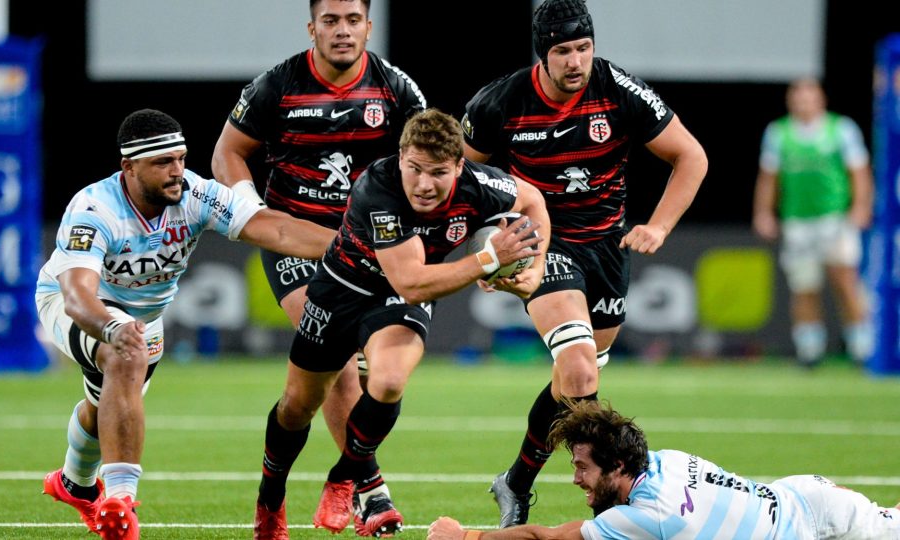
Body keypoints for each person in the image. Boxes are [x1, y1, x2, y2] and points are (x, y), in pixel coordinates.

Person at [460, 0, 708, 527]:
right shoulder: (498, 104)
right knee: (578, 366)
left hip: (607, 252)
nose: (576, 61)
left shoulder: (619, 91)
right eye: (563, 51)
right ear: (542, 55)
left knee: (572, 381)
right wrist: (480, 246)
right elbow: (455, 176)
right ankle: (611, 506)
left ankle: (515, 483)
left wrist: (658, 225)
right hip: (542, 243)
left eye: (583, 48)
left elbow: (692, 156)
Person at [37, 109, 336, 539]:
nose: (177, 171)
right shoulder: (93, 208)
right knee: (124, 357)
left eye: (180, 158)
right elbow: (78, 295)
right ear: (129, 167)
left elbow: (278, 231)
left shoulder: (197, 194)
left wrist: (352, 246)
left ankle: (73, 484)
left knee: (106, 407)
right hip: (77, 305)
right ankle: (121, 500)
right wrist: (112, 329)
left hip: (144, 318)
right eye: (163, 163)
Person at [251, 109, 549, 539]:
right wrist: (489, 258)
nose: (425, 184)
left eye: (439, 172)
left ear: (460, 166)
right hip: (341, 289)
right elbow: (410, 281)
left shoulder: (484, 185)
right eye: (415, 169)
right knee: (297, 406)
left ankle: (344, 478)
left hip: (394, 300)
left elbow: (534, 200)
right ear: (401, 157)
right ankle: (270, 498)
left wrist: (534, 270)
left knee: (389, 380)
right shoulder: (378, 188)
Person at [211, 0, 427, 490]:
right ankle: (369, 490)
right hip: (295, 243)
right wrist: (250, 209)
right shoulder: (278, 85)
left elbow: (431, 162)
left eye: (353, 21)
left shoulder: (395, 89)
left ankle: (304, 466)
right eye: (330, 21)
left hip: (368, 246)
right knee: (340, 360)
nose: (343, 31)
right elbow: (228, 151)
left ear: (369, 27)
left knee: (314, 395)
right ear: (312, 28)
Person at [428, 401, 900, 540]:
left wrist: (465, 537)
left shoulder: (647, 516)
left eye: (582, 468)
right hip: (803, 496)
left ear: (616, 465)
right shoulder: (663, 460)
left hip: (821, 526)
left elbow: (548, 539)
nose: (575, 479)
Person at [752, 77, 874, 368]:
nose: (804, 102)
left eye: (809, 96)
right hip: (798, 221)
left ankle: (861, 347)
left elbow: (859, 172)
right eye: (798, 97)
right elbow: (769, 178)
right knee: (804, 285)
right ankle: (810, 350)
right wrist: (763, 212)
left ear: (821, 100)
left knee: (844, 280)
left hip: (835, 218)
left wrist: (860, 207)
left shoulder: (841, 129)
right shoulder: (778, 133)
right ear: (790, 101)